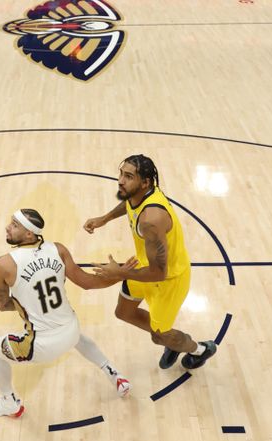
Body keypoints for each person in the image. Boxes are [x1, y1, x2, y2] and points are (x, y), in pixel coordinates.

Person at [0, 208, 130, 417]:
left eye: (15, 225)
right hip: (71, 330)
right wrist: (121, 274)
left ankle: (9, 403)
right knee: (74, 334)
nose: (7, 227)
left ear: (29, 235)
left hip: (40, 346)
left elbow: (2, 304)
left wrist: (27, 303)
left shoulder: (4, 264)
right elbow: (88, 283)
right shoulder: (58, 250)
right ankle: (114, 374)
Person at [84, 154, 217, 370]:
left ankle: (201, 349)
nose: (120, 181)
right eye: (120, 174)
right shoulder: (141, 193)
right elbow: (128, 204)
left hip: (169, 280)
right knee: (123, 312)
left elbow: (159, 273)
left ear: (145, 182)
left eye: (128, 176)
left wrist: (119, 272)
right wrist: (104, 219)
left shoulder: (151, 221)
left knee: (159, 337)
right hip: (143, 266)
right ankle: (167, 338)